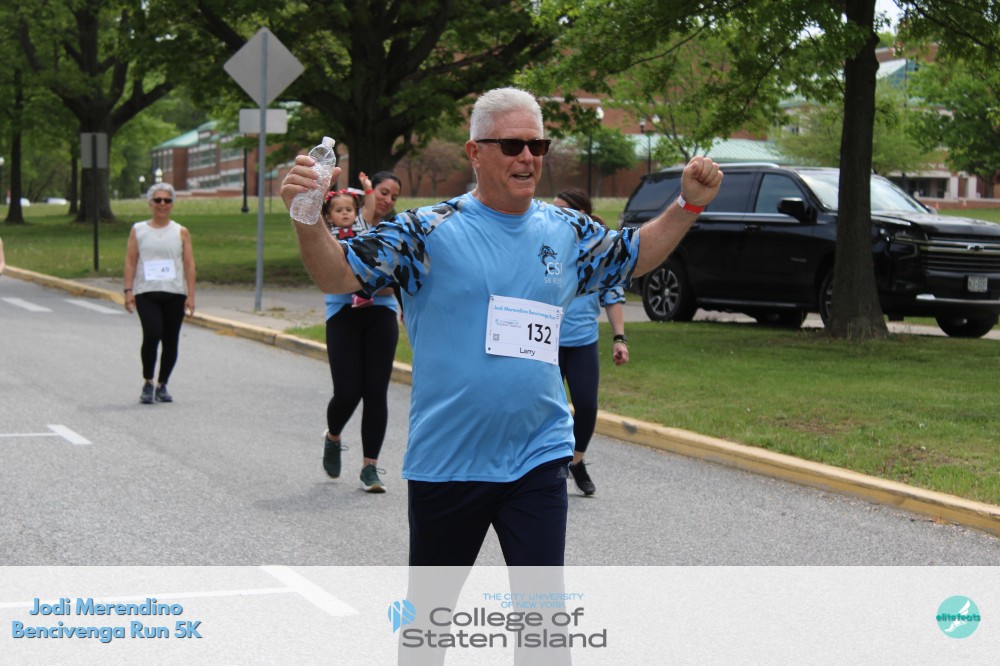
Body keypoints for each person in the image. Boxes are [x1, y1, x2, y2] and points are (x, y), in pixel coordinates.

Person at [280, 87, 722, 567]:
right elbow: (338, 275)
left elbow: (633, 255)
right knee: (432, 611)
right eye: (512, 145)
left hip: (539, 456)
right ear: (475, 153)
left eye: (537, 145)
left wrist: (689, 203)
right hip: (449, 462)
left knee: (542, 612)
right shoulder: (425, 230)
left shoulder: (567, 230)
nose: (527, 157)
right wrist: (307, 217)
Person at [320, 181, 400, 493]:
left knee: (375, 392)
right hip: (342, 313)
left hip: (381, 313)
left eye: (394, 195)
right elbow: (326, 273)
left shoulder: (391, 231)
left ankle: (370, 468)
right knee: (347, 392)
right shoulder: (332, 234)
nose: (387, 199)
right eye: (382, 192)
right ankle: (333, 436)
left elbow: (396, 280)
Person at [552, 188, 629, 496]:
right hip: (546, 343)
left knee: (586, 405)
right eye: (553, 209)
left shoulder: (599, 250)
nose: (555, 215)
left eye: (562, 210)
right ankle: (547, 467)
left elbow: (613, 294)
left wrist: (619, 338)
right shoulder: (547, 245)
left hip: (583, 341)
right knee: (549, 410)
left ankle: (576, 461)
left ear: (581, 214)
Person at [123, 183, 196, 404]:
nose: (162, 204)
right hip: (146, 291)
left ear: (172, 204)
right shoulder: (139, 230)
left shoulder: (180, 231)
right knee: (152, 334)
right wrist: (128, 290)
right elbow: (130, 261)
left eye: (167, 200)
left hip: (175, 291)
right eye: (158, 200)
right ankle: (148, 381)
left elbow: (189, 264)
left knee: (170, 339)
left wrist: (191, 295)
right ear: (150, 203)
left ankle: (162, 384)